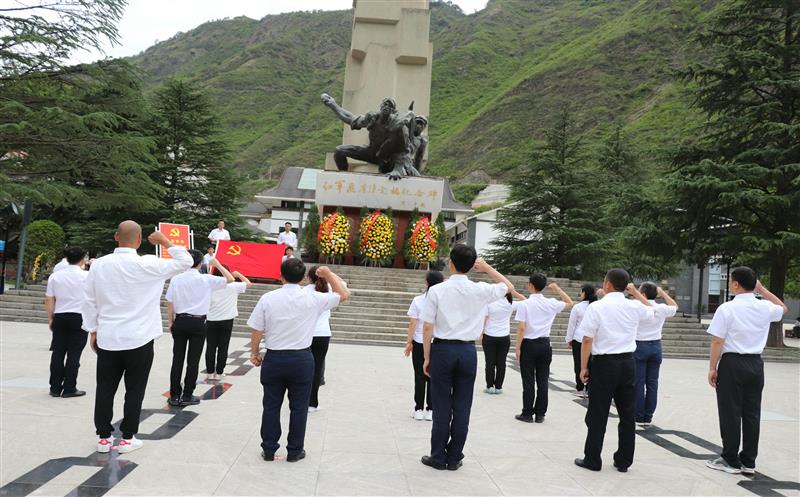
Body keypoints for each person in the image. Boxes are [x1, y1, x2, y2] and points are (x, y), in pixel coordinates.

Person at [83, 221, 193, 454]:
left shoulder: (99, 265)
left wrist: (93, 330)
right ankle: (127, 438)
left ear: (116, 236)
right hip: (140, 338)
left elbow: (89, 300)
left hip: (109, 336)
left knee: (105, 388)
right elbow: (186, 261)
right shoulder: (149, 264)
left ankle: (103, 438)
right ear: (140, 239)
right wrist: (165, 242)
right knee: (135, 389)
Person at [420, 246, 513, 471]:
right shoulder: (480, 289)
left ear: (450, 263)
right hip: (467, 352)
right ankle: (454, 457)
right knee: (463, 405)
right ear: (472, 266)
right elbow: (508, 287)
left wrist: (426, 357)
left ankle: (438, 456)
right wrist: (487, 268)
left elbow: (427, 327)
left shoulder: (437, 290)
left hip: (443, 350)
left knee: (442, 405)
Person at [248, 260, 349, 462]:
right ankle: (294, 451)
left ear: (280, 275)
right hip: (301, 358)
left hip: (274, 357)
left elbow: (257, 329)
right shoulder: (313, 298)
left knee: (271, 405)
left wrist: (254, 353)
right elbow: (343, 295)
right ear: (303, 277)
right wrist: (328, 274)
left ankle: (269, 449)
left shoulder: (268, 298)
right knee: (299, 406)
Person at [705, 267, 787, 475]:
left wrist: (712, 367)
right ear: (754, 285)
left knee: (730, 412)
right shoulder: (764, 307)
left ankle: (730, 459)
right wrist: (763, 290)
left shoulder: (727, 308)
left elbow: (717, 341)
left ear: (735, 284)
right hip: (755, 364)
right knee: (752, 413)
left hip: (732, 363)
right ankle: (749, 460)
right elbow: (783, 308)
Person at [574, 269, 654, 473]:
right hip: (628, 363)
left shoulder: (597, 307)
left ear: (608, 284)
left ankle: (593, 458)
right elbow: (651, 310)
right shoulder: (634, 305)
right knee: (627, 414)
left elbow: (587, 339)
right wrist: (635, 292)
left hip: (604, 364)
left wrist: (584, 366)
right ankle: (623, 460)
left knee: (598, 412)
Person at [165, 250, 234, 407]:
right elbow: (230, 279)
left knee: (177, 360)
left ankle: (174, 395)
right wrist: (217, 265)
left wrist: (170, 321)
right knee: (193, 361)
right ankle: (187, 394)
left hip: (180, 321)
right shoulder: (206, 279)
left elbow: (170, 301)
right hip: (198, 323)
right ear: (200, 263)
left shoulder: (176, 279)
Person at [514, 274, 573, 423]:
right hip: (545, 344)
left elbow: (522, 328)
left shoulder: (525, 304)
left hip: (529, 344)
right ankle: (540, 414)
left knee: (528, 380)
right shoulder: (551, 303)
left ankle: (527, 413)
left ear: (531, 285)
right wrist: (558, 289)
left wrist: (517, 348)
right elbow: (569, 303)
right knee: (543, 380)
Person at [45, 245, 89, 398]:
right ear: (82, 260)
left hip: (60, 316)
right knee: (74, 354)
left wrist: (51, 318)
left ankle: (55, 388)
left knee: (58, 352)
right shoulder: (87, 276)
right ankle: (70, 387)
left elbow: (49, 299)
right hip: (79, 317)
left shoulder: (55, 276)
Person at [634, 282, 678, 427]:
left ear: (643, 293)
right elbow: (675, 307)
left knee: (639, 382)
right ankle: (648, 416)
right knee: (652, 383)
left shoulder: (638, 306)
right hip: (656, 346)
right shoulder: (662, 308)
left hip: (640, 345)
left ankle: (639, 415)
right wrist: (663, 293)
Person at [306, 265, 347, 412]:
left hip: (306, 333)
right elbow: (344, 289)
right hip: (322, 334)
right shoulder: (330, 290)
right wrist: (328, 274)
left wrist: (326, 275)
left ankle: (301, 399)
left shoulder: (304, 292)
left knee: (304, 367)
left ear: (308, 277)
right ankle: (312, 403)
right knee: (317, 368)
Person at [404, 270, 444, 420]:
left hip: (420, 342)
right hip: (437, 342)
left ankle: (418, 409)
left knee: (419, 376)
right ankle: (431, 409)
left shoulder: (418, 300)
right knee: (434, 376)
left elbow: (413, 322)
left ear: (427, 282)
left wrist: (409, 342)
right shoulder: (444, 301)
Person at [206, 268, 252, 380]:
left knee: (210, 347)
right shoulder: (233, 285)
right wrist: (238, 274)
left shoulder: (210, 286)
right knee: (223, 347)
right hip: (227, 320)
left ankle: (210, 372)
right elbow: (248, 284)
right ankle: (220, 372)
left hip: (211, 319)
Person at [479, 290, 525, 395]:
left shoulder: (489, 303)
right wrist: (515, 293)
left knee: (490, 363)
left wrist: (481, 334)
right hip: (504, 337)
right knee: (501, 363)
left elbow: (485, 319)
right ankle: (499, 387)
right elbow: (526, 301)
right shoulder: (511, 304)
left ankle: (490, 386)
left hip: (489, 336)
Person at [565, 284, 598, 397]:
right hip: (593, 339)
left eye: (581, 292)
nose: (580, 294)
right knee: (591, 365)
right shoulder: (597, 306)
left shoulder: (578, 307)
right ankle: (590, 388)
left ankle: (580, 388)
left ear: (585, 293)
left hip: (579, 339)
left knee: (579, 364)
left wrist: (569, 339)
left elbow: (572, 325)